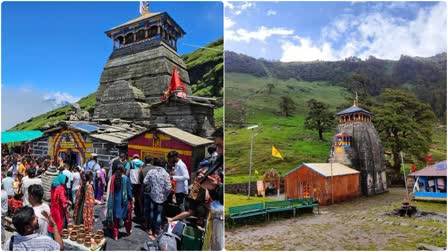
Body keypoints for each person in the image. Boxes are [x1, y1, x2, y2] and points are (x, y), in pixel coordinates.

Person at [143, 158, 171, 238]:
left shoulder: (151, 172)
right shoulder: (165, 173)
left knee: (151, 212)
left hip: (152, 195)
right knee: (159, 214)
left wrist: (152, 185)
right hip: (162, 197)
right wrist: (165, 194)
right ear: (164, 165)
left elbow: (145, 182)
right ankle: (157, 231)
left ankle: (150, 230)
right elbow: (169, 187)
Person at [106, 165, 133, 240]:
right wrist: (131, 199)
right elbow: (129, 192)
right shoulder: (126, 179)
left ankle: (116, 236)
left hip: (115, 202)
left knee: (116, 220)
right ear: (123, 170)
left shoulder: (113, 178)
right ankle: (128, 231)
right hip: (124, 202)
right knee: (127, 218)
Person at [48, 173, 71, 238]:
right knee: (58, 222)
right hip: (58, 208)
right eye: (65, 182)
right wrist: (68, 201)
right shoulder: (60, 188)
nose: (65, 183)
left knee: (52, 221)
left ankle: (51, 235)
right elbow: (62, 198)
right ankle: (57, 236)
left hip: (53, 206)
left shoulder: (54, 185)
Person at [141, 155, 155, 232]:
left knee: (147, 208)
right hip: (154, 191)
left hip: (146, 190)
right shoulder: (155, 169)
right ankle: (152, 225)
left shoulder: (143, 170)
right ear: (152, 161)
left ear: (145, 161)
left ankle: (146, 224)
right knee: (152, 209)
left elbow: (141, 181)